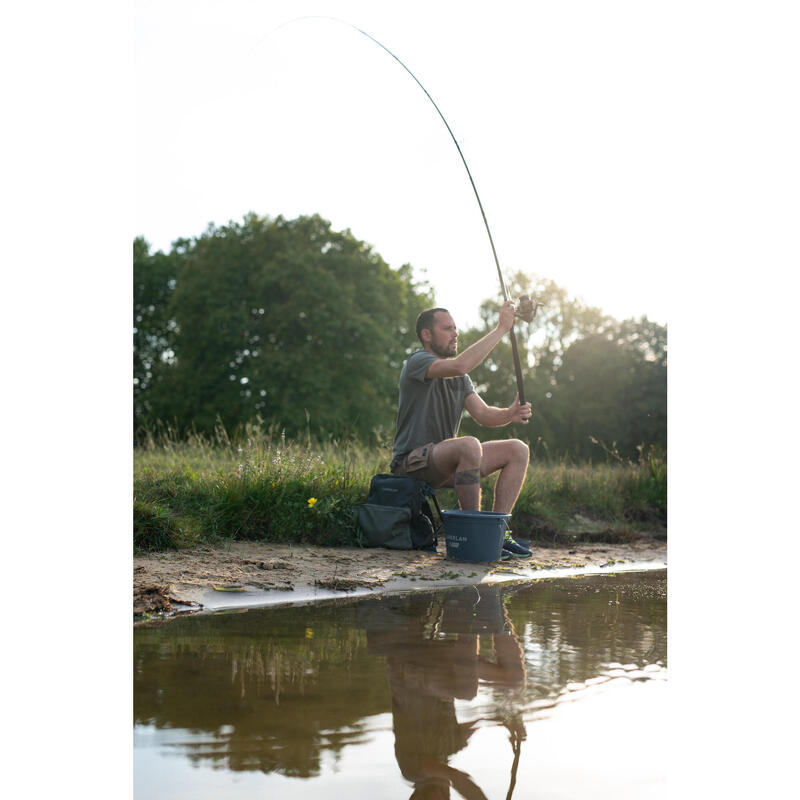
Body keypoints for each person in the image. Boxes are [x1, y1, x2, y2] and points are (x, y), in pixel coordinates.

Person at [390, 302, 533, 558]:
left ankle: (497, 535)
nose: (455, 333)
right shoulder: (418, 362)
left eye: (455, 328)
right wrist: (502, 328)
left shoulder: (460, 379)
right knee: (469, 444)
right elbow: (460, 365)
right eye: (447, 328)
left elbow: (484, 415)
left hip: (448, 463)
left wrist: (509, 414)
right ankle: (475, 538)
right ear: (427, 335)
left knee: (517, 449)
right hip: (411, 463)